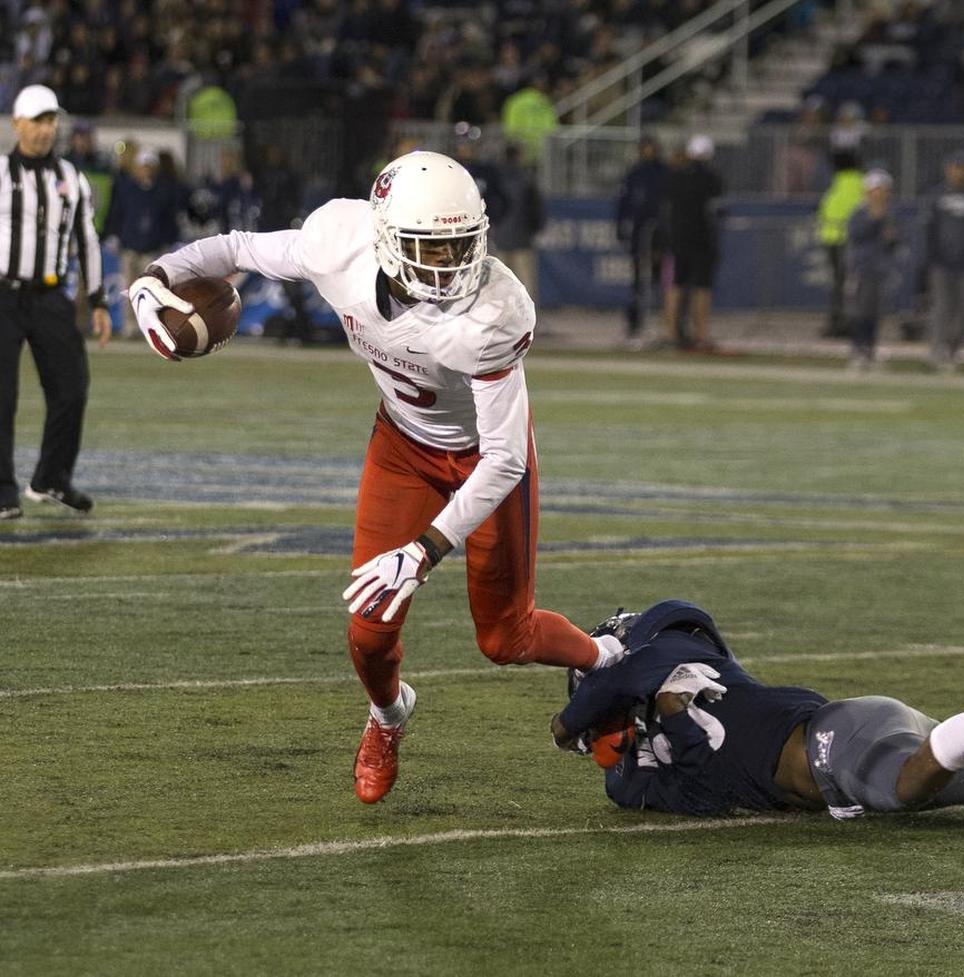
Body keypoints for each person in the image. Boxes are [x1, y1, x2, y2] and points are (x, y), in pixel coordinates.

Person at [126, 151, 625, 803]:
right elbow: (238, 247)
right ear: (386, 240)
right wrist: (159, 276)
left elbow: (504, 457)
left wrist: (423, 552)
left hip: (485, 460)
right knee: (368, 631)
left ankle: (609, 661)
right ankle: (388, 716)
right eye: (429, 249)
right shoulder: (340, 243)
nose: (449, 267)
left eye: (459, 246)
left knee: (507, 637)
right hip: (403, 448)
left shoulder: (496, 310)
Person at [552, 601, 964, 820]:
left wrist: (566, 726)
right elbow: (702, 795)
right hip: (856, 754)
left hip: (835, 737)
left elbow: (632, 668)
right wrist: (669, 722)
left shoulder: (672, 653)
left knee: (902, 787)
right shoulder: (635, 776)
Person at [0, 84, 110, 521]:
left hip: (50, 296)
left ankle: (51, 478)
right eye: (38, 121)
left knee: (71, 388)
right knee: (1, 396)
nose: (46, 130)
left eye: (51, 121)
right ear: (17, 124)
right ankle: (1, 489)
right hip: (2, 294)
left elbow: (88, 239)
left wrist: (99, 298)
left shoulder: (70, 177)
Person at [102, 147, 182, 337]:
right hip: (130, 246)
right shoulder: (127, 189)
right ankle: (129, 326)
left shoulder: (163, 191)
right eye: (142, 166)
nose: (145, 169)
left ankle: (150, 326)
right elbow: (117, 214)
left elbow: (169, 219)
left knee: (152, 291)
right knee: (130, 290)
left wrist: (168, 241)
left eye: (148, 166)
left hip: (152, 248)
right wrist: (114, 235)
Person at [924, 150, 964, 372]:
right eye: (954, 167)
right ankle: (936, 350)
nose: (957, 171)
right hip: (942, 263)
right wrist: (930, 258)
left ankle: (953, 349)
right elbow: (928, 229)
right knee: (941, 308)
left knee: (963, 310)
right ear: (947, 169)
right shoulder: (936, 196)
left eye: (961, 167)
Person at [662, 135, 723, 352]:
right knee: (701, 288)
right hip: (702, 239)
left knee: (675, 286)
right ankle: (701, 334)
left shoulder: (676, 177)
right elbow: (718, 209)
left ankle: (670, 333)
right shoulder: (711, 178)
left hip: (678, 238)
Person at [844, 168, 900, 370]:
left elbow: (894, 240)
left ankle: (870, 350)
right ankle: (858, 350)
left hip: (881, 270)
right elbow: (856, 234)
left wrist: (892, 238)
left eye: (882, 189)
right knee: (861, 312)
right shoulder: (860, 213)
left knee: (876, 314)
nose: (879, 194)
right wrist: (875, 219)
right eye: (875, 189)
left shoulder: (890, 214)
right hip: (862, 269)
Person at [615, 134, 666, 347]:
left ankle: (660, 320)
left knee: (659, 278)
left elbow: (665, 205)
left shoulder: (663, 172)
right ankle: (636, 322)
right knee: (638, 280)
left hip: (658, 233)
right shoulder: (634, 173)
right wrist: (621, 227)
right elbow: (623, 202)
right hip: (639, 233)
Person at [815, 150, 863, 338]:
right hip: (845, 239)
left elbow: (828, 209)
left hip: (839, 239)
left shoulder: (846, 183)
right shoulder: (855, 182)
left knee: (842, 284)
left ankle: (842, 323)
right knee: (846, 284)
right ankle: (843, 322)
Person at [493, 143, 545, 303]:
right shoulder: (527, 178)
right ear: (518, 156)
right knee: (525, 284)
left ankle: (498, 318)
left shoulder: (496, 177)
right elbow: (536, 208)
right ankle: (528, 321)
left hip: (500, 238)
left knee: (498, 282)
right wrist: (535, 229)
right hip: (523, 239)